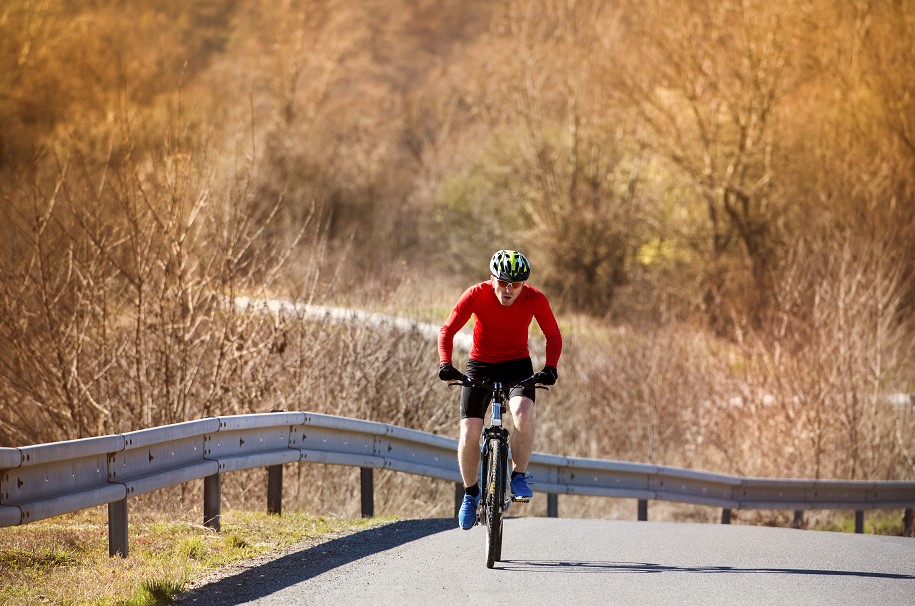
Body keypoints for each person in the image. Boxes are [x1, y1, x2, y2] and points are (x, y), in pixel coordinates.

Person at [438, 249, 562, 530]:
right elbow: (447, 330)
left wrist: (551, 366)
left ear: (523, 285)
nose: (509, 290)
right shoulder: (475, 294)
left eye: (515, 284)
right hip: (480, 365)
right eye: (503, 282)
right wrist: (445, 363)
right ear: (492, 278)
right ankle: (471, 494)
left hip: (517, 366)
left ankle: (518, 475)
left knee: (522, 415)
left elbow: (553, 335)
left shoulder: (535, 299)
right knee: (470, 431)